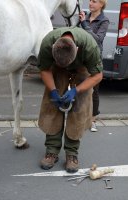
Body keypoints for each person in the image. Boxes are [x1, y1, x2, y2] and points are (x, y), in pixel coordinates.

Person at [37, 26, 103, 173]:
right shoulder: (48, 43)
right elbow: (44, 69)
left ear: (78, 50)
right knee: (52, 105)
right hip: (56, 68)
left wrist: (76, 90)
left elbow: (97, 75)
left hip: (82, 67)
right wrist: (54, 91)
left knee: (80, 108)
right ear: (53, 48)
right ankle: (51, 150)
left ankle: (72, 153)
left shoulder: (89, 46)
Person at [79, 0, 109, 132]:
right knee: (79, 87)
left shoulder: (104, 20)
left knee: (94, 91)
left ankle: (93, 119)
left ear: (101, 4)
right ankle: (80, 117)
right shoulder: (83, 15)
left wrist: (84, 24)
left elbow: (97, 39)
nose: (91, 3)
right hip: (81, 57)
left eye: (94, 1)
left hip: (95, 58)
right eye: (90, 1)